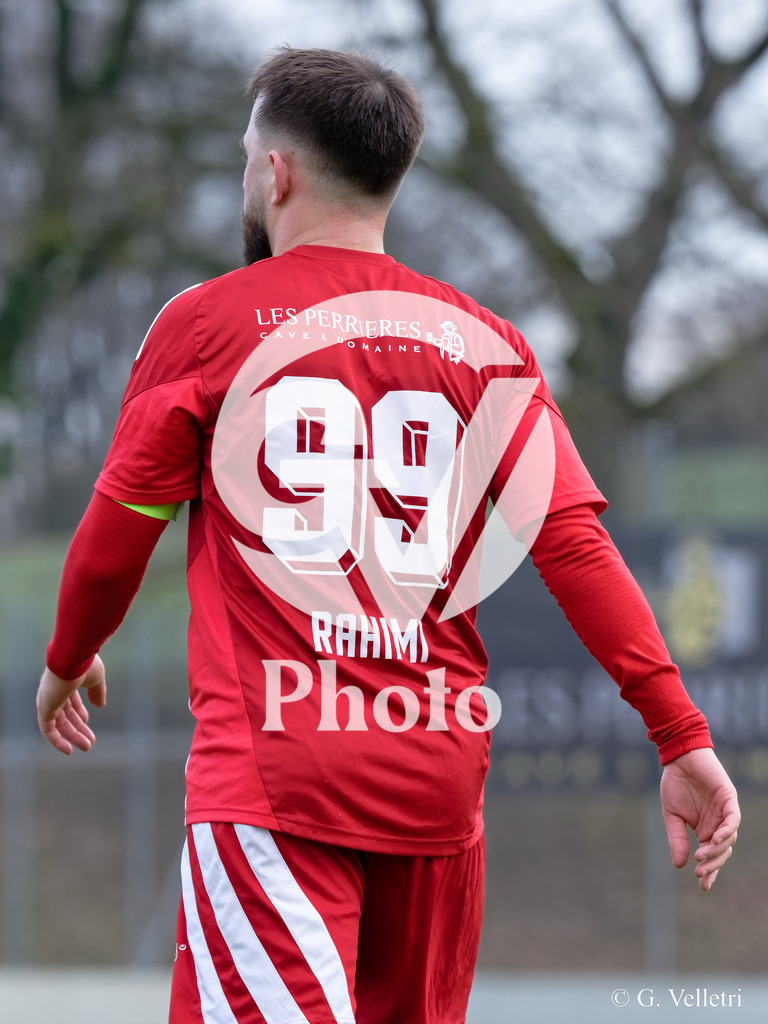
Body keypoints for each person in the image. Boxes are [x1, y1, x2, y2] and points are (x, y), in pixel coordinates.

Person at [37, 47, 739, 1024]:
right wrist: (681, 734)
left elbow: (121, 532)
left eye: (248, 156)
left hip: (279, 785)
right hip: (437, 793)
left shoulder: (205, 326)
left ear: (274, 173)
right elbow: (576, 550)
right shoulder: (486, 343)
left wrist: (70, 654)